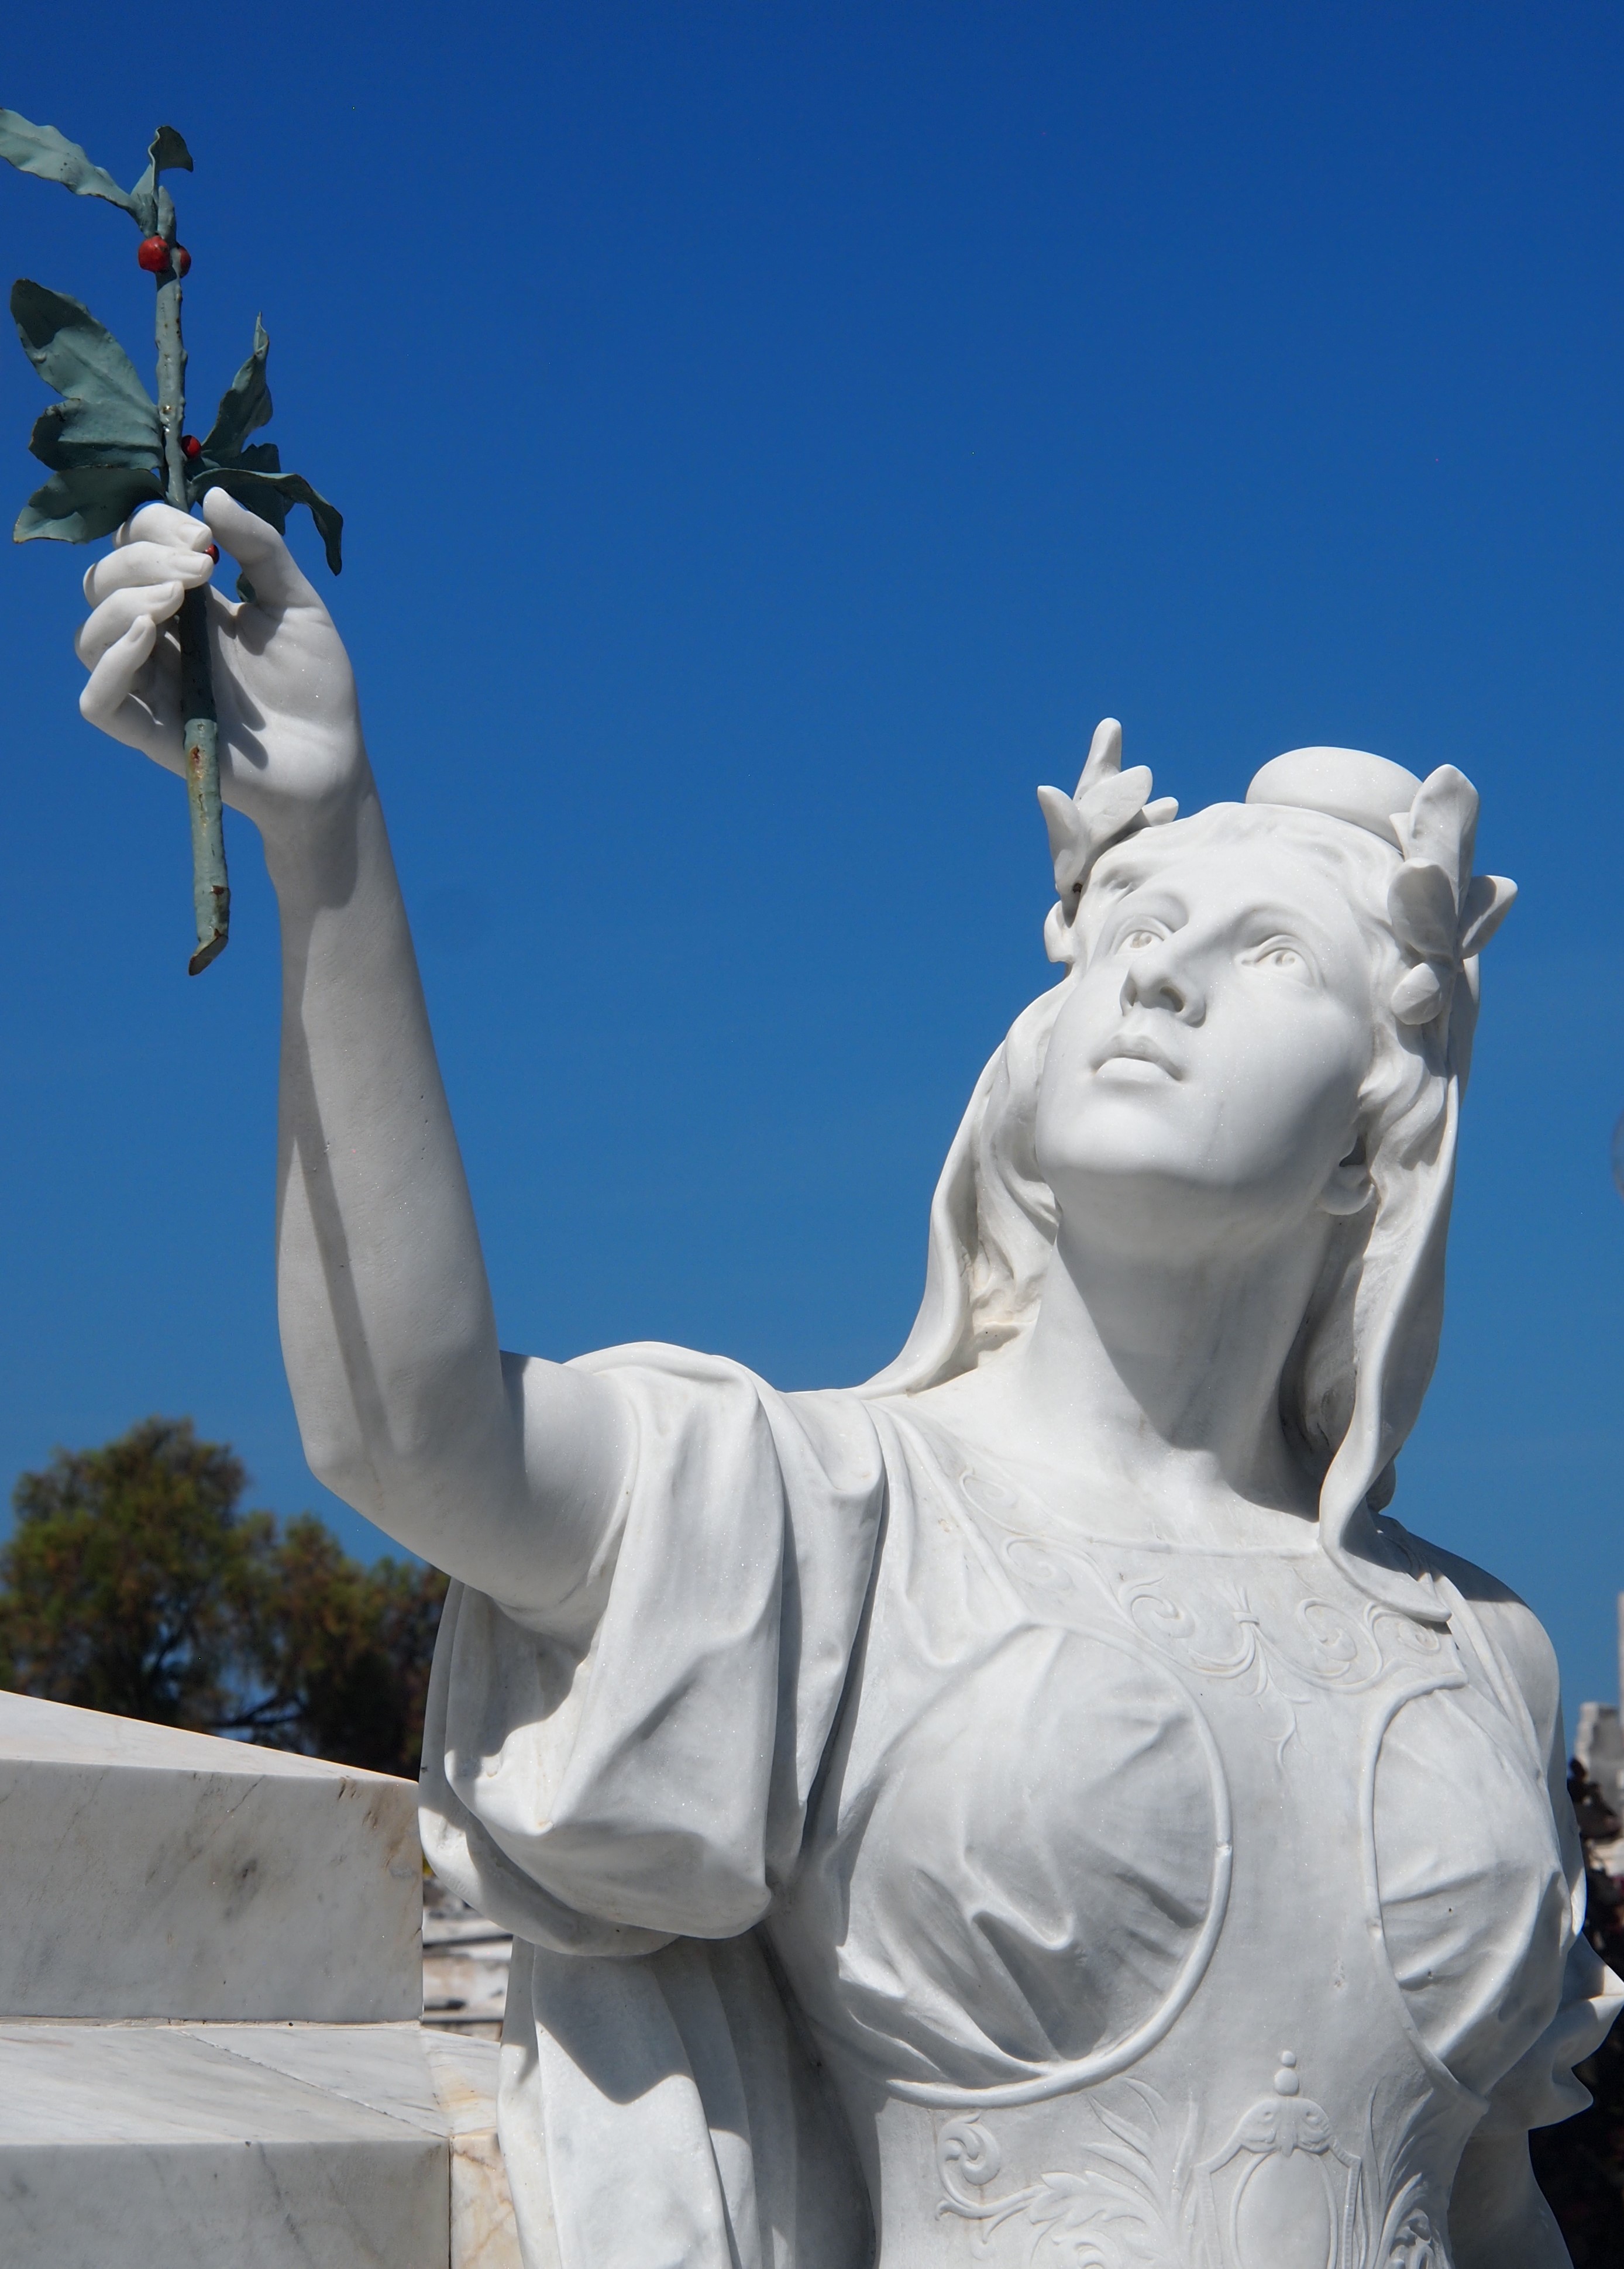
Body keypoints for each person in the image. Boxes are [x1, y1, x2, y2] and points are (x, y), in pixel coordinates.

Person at [75, 492, 1620, 2269]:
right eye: (1137, 923)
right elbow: (415, 1433)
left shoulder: (1478, 1649)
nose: (1161, 976)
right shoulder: (833, 1520)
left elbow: (1497, 2210)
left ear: (1372, 1145)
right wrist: (327, 841)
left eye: (1266, 953)